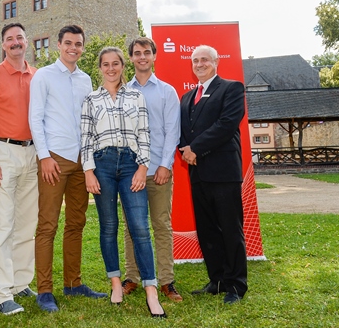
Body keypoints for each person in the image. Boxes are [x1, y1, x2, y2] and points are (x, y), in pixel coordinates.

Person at [81, 46, 167, 319]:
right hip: (102, 165)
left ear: (122, 66)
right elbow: (85, 139)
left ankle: (151, 290)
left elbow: (144, 134)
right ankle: (116, 283)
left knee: (140, 227)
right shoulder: (91, 100)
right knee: (108, 227)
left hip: (131, 164)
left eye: (115, 63)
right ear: (100, 68)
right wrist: (88, 171)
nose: (110, 68)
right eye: (105, 64)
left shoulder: (136, 96)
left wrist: (143, 168)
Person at [29, 24, 107, 313]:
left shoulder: (86, 79)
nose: (73, 48)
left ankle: (73, 284)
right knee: (47, 225)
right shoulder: (44, 76)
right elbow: (35, 118)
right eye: (68, 43)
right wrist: (44, 156)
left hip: (82, 160)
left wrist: (90, 161)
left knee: (77, 223)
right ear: (58, 45)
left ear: (82, 47)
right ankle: (45, 291)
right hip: (54, 158)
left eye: (78, 44)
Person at [179, 44, 247, 305]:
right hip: (197, 173)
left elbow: (227, 125)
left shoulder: (231, 88)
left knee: (230, 230)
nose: (199, 64)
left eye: (205, 59)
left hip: (224, 173)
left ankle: (236, 286)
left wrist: (195, 149)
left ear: (216, 62)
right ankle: (217, 280)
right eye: (195, 60)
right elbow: (182, 132)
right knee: (207, 231)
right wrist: (185, 149)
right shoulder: (187, 97)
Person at [0, 23, 38, 315]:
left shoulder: (37, 76)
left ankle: (20, 282)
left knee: (27, 224)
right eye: (9, 39)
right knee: (2, 226)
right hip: (2, 151)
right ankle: (3, 293)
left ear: (26, 42)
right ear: (3, 45)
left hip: (32, 153)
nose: (15, 42)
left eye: (19, 38)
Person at [122, 38, 183, 303]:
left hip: (159, 169)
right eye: (137, 53)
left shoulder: (167, 92)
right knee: (131, 227)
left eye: (147, 52)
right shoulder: (122, 92)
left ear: (154, 56)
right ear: (132, 59)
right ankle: (132, 277)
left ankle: (167, 280)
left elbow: (173, 132)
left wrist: (164, 165)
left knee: (161, 225)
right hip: (130, 171)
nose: (142, 57)